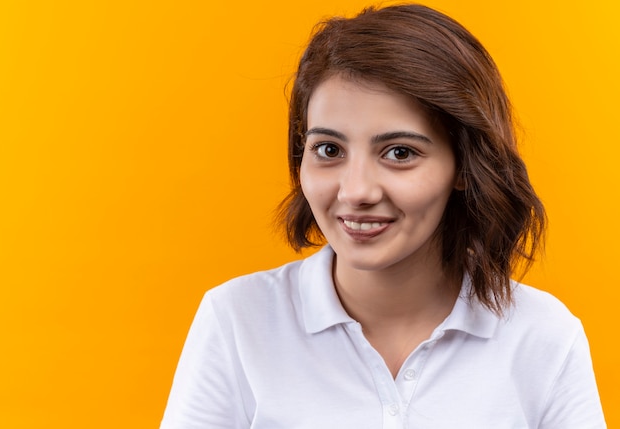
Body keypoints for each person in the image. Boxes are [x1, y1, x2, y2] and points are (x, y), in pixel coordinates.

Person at [160, 4, 606, 428]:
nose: (355, 191)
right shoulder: (237, 320)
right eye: (328, 150)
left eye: (399, 153)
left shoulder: (544, 337)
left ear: (464, 167)